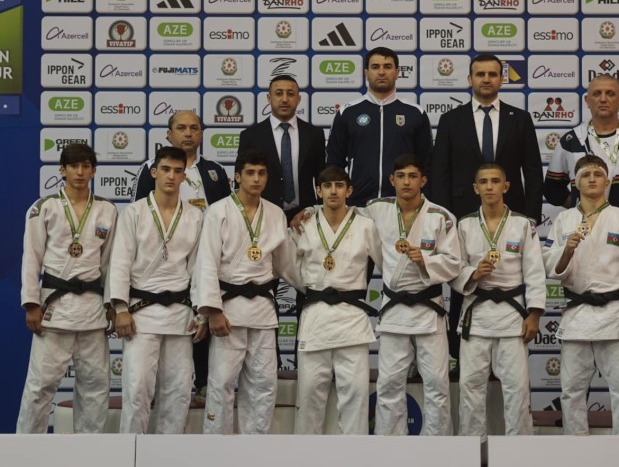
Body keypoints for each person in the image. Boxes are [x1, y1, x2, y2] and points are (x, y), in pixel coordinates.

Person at [543, 73, 619, 426]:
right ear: (587, 100)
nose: (603, 99)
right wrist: (577, 208)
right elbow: (553, 188)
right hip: (583, 229)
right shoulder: (570, 140)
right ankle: (573, 419)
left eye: (610, 93)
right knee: (576, 367)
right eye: (596, 93)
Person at [431, 53, 543, 362]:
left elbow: (533, 171)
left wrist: (531, 217)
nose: (486, 79)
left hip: (510, 215)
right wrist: (444, 221)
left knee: (510, 276)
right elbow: (440, 171)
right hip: (462, 215)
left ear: (501, 79)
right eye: (480, 74)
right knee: (464, 279)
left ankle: (508, 351)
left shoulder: (520, 118)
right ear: (470, 79)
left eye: (492, 74)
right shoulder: (451, 120)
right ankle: (459, 354)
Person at [542, 155, 619, 435]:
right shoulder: (564, 220)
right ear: (575, 183)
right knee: (571, 390)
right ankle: (576, 447)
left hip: (614, 313)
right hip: (577, 314)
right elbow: (549, 264)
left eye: (597, 174)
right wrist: (566, 250)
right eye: (585, 175)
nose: (592, 179)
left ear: (607, 181)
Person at [17, 143, 118, 433]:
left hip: (92, 310)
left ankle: (89, 450)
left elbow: (111, 263)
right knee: (40, 386)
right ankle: (26, 448)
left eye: (86, 166)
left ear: (94, 171)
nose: (80, 172)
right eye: (74, 166)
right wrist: (31, 304)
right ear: (62, 170)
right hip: (54, 308)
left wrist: (112, 304)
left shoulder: (107, 210)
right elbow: (31, 258)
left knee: (95, 387)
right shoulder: (43, 208)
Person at [131, 109, 230, 402]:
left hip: (204, 256)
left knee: (201, 316)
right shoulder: (150, 168)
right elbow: (140, 214)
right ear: (169, 134)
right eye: (182, 128)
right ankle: (156, 388)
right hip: (162, 261)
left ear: (201, 133)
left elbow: (227, 216)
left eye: (194, 128)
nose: (188, 133)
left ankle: (203, 382)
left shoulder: (214, 170)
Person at [194, 149, 293, 434]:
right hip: (228, 311)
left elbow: (285, 264)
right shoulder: (218, 211)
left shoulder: (275, 213)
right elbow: (206, 264)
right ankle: (218, 446)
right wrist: (212, 311)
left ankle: (255, 446)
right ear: (237, 177)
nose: (256, 179)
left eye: (261, 173)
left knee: (264, 383)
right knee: (222, 382)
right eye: (250, 173)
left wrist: (315, 286)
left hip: (262, 310)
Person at [109, 146, 205, 434]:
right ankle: (130, 452)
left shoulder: (195, 216)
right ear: (154, 172)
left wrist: (201, 311)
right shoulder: (134, 213)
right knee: (137, 389)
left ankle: (169, 454)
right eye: (165, 169)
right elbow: (120, 262)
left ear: (185, 176)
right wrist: (120, 308)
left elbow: (199, 269)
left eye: (178, 171)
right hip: (141, 314)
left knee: (178, 392)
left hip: (180, 314)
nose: (171, 176)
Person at [364, 154, 461, 436]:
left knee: (437, 385)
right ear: (391, 180)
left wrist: (425, 261)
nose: (407, 182)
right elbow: (343, 214)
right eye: (401, 176)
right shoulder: (376, 209)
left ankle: (437, 448)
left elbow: (454, 263)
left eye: (413, 176)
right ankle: (390, 448)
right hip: (394, 309)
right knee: (389, 384)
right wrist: (309, 211)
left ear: (423, 181)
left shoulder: (441, 217)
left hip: (429, 309)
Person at [451, 163, 545, 436]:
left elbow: (535, 271)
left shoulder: (523, 225)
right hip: (477, 316)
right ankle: (472, 447)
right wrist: (473, 273)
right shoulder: (464, 225)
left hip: (512, 317)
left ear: (506, 186)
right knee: (470, 387)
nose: (489, 186)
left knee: (517, 388)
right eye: (483, 182)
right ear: (475, 188)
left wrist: (534, 314)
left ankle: (518, 451)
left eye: (495, 181)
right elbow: (454, 268)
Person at [288, 166, 383, 435]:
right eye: (327, 186)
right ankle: (307, 454)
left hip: (351, 320)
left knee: (355, 398)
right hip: (316, 317)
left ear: (348, 191)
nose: (333, 191)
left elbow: (386, 265)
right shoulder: (304, 225)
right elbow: (289, 268)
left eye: (339, 186)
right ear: (318, 191)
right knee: (308, 398)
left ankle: (355, 454)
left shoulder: (366, 226)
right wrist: (314, 290)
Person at [326, 47, 432, 206]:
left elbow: (427, 163)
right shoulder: (347, 112)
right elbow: (334, 163)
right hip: (358, 203)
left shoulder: (415, 113)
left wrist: (424, 199)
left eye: (387, 67)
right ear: (366, 72)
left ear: (397, 72)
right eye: (375, 67)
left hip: (403, 204)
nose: (381, 72)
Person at [238, 74, 326, 221]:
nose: (285, 99)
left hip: (305, 217)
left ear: (298, 99)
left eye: (290, 94)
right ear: (269, 98)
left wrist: (315, 210)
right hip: (263, 216)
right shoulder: (251, 135)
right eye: (278, 93)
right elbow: (242, 180)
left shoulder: (314, 134)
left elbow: (322, 178)